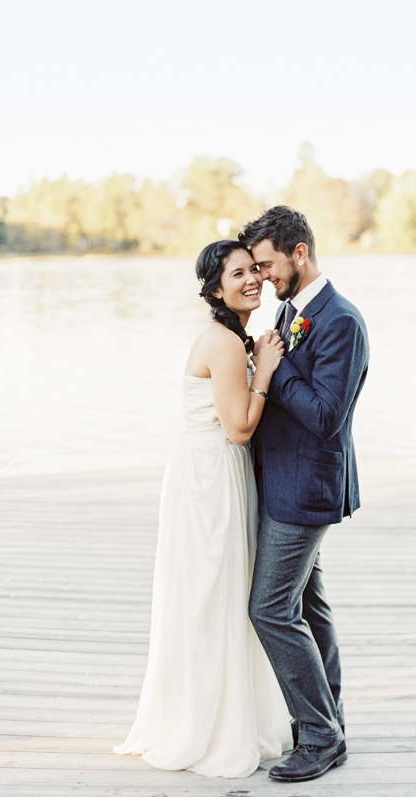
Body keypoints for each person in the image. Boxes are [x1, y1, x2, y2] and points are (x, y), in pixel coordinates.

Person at [114, 239, 292, 778]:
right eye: (237, 274)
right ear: (215, 289)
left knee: (218, 592)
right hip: (210, 479)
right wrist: (264, 370)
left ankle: (222, 713)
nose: (252, 279)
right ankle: (206, 725)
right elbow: (239, 430)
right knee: (212, 593)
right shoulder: (222, 341)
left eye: (255, 270)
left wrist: (256, 358)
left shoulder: (232, 336)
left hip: (214, 473)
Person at [238, 206, 369, 783]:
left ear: (299, 253)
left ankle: (318, 735)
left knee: (268, 608)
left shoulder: (340, 320)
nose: (262, 276)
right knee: (308, 608)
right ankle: (328, 721)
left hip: (306, 487)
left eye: (267, 264)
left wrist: (276, 365)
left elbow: (325, 417)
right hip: (281, 481)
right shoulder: (290, 313)